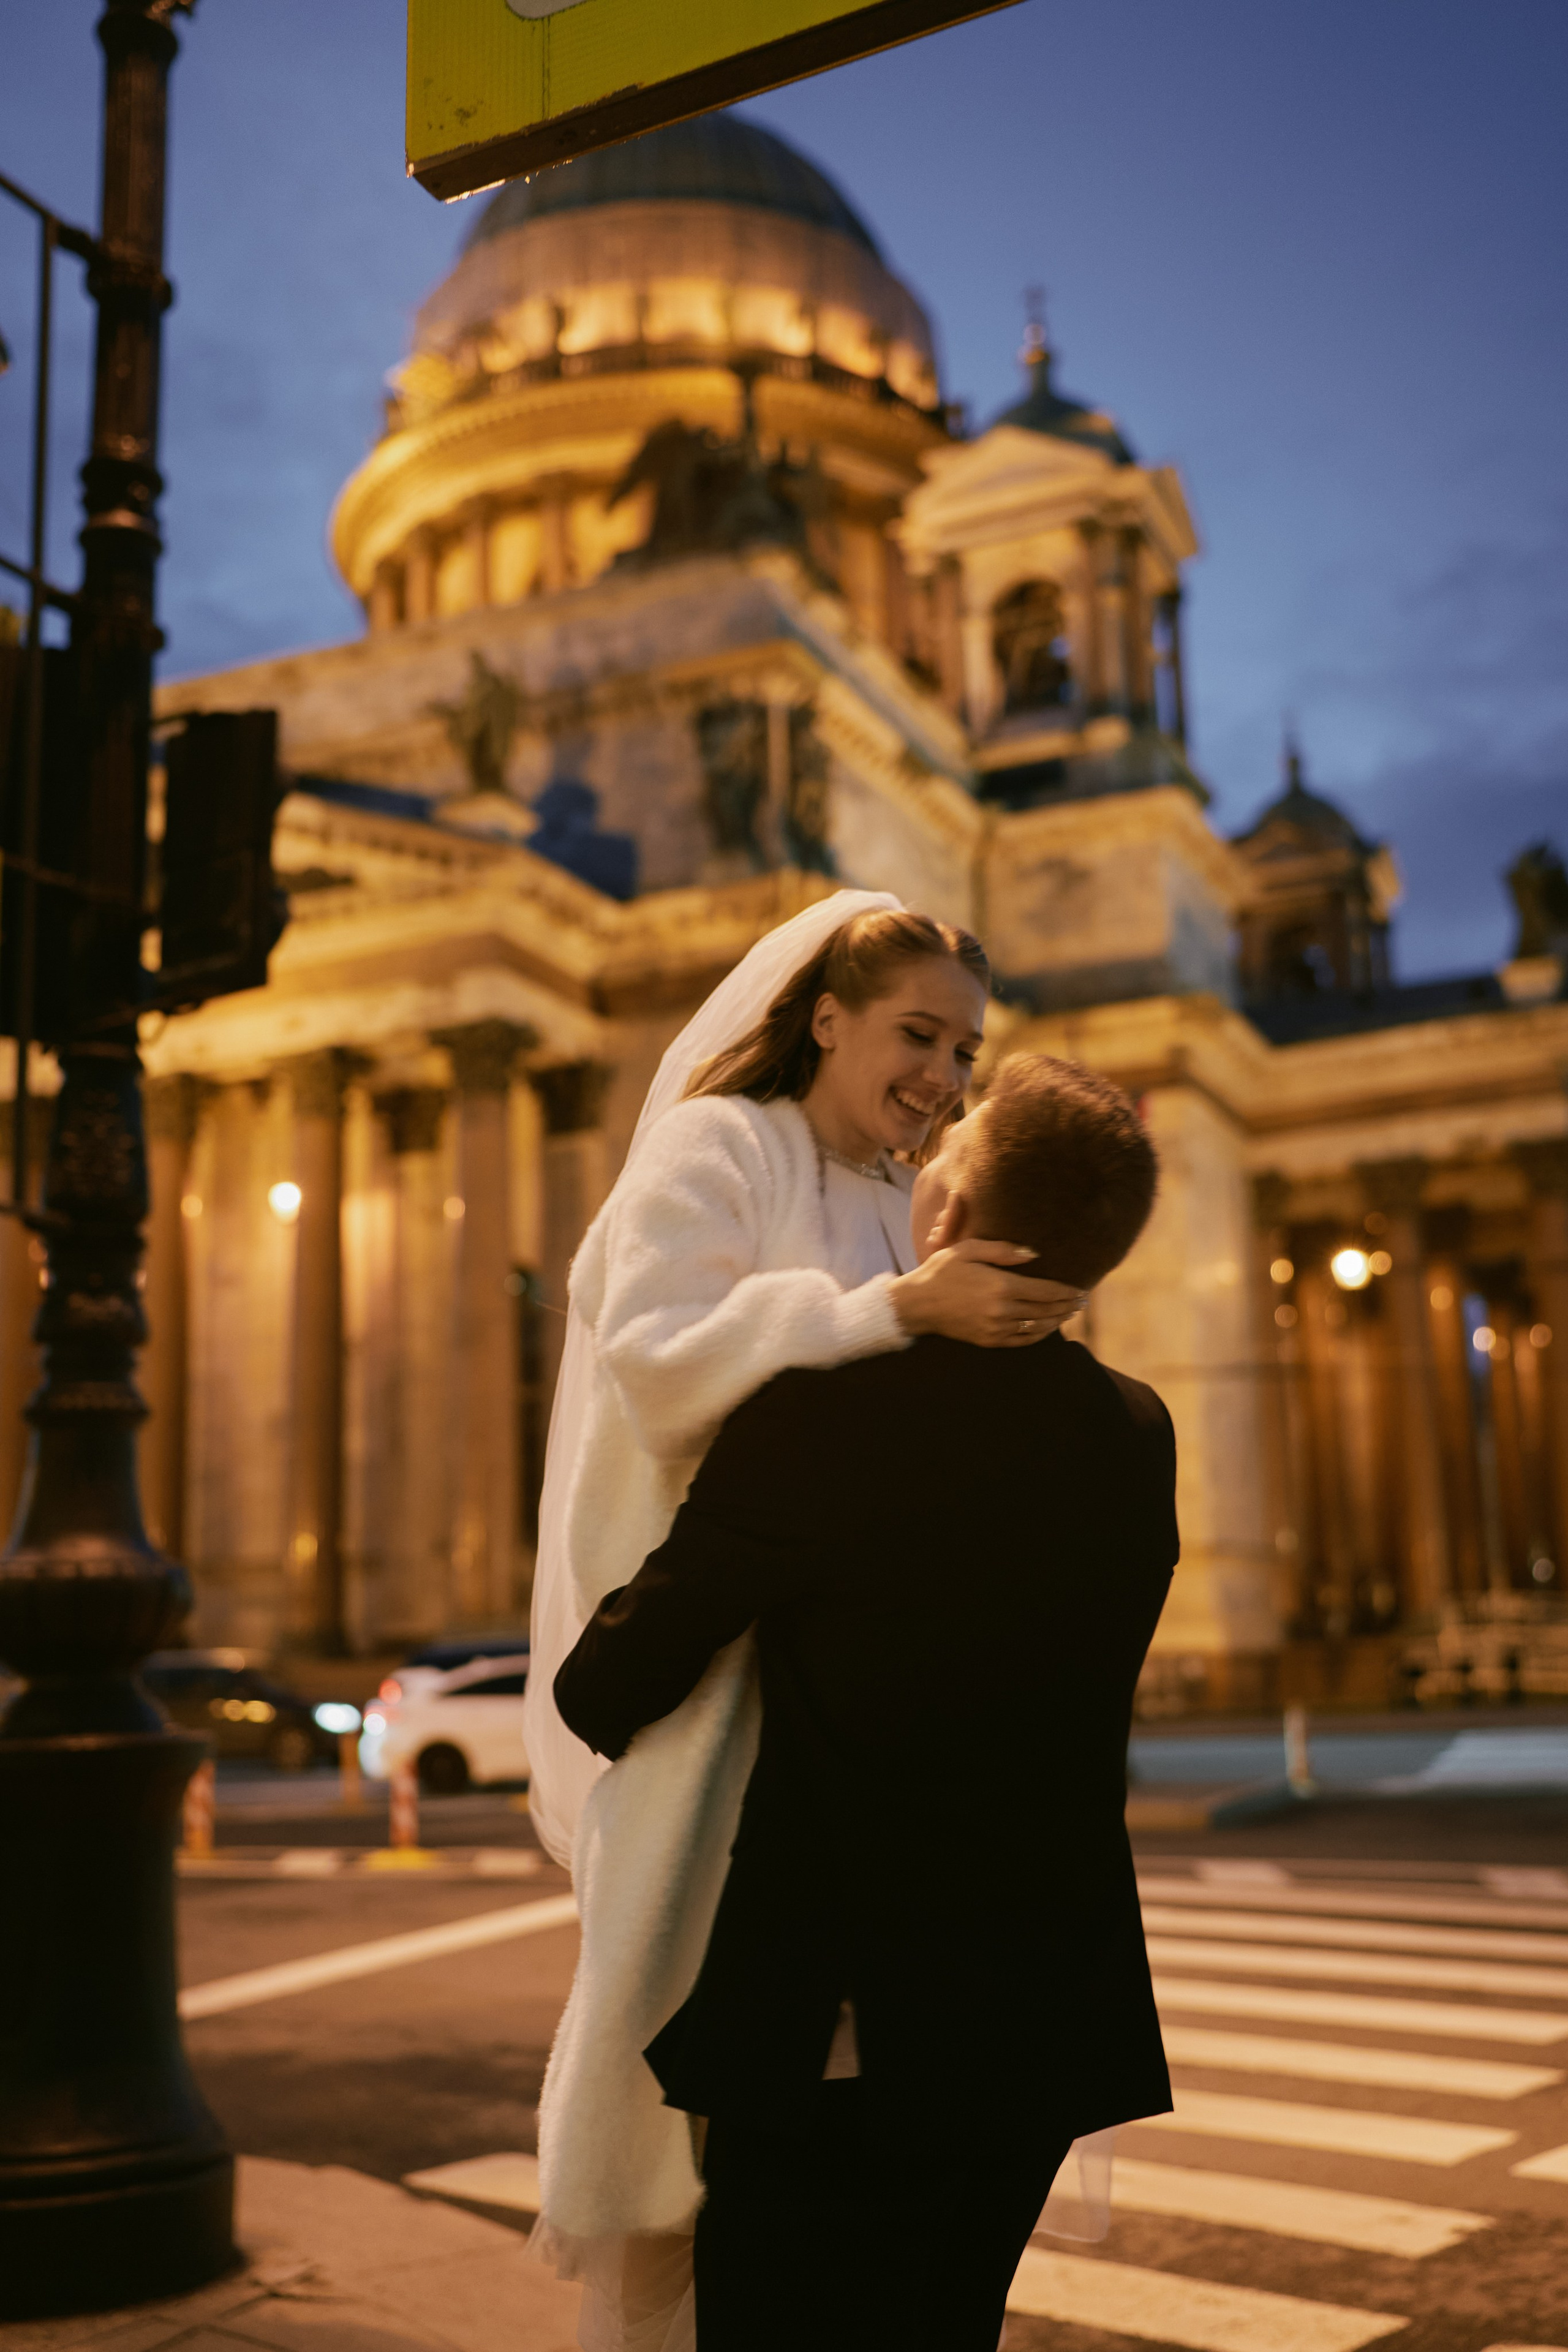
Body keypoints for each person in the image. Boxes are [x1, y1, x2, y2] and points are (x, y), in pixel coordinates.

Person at [556, 1053, 1177, 2352]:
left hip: (848, 2021)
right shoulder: (1135, 1432)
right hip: (1044, 2015)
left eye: (935, 1166)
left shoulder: (828, 1417)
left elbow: (606, 1684)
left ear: (945, 1222)